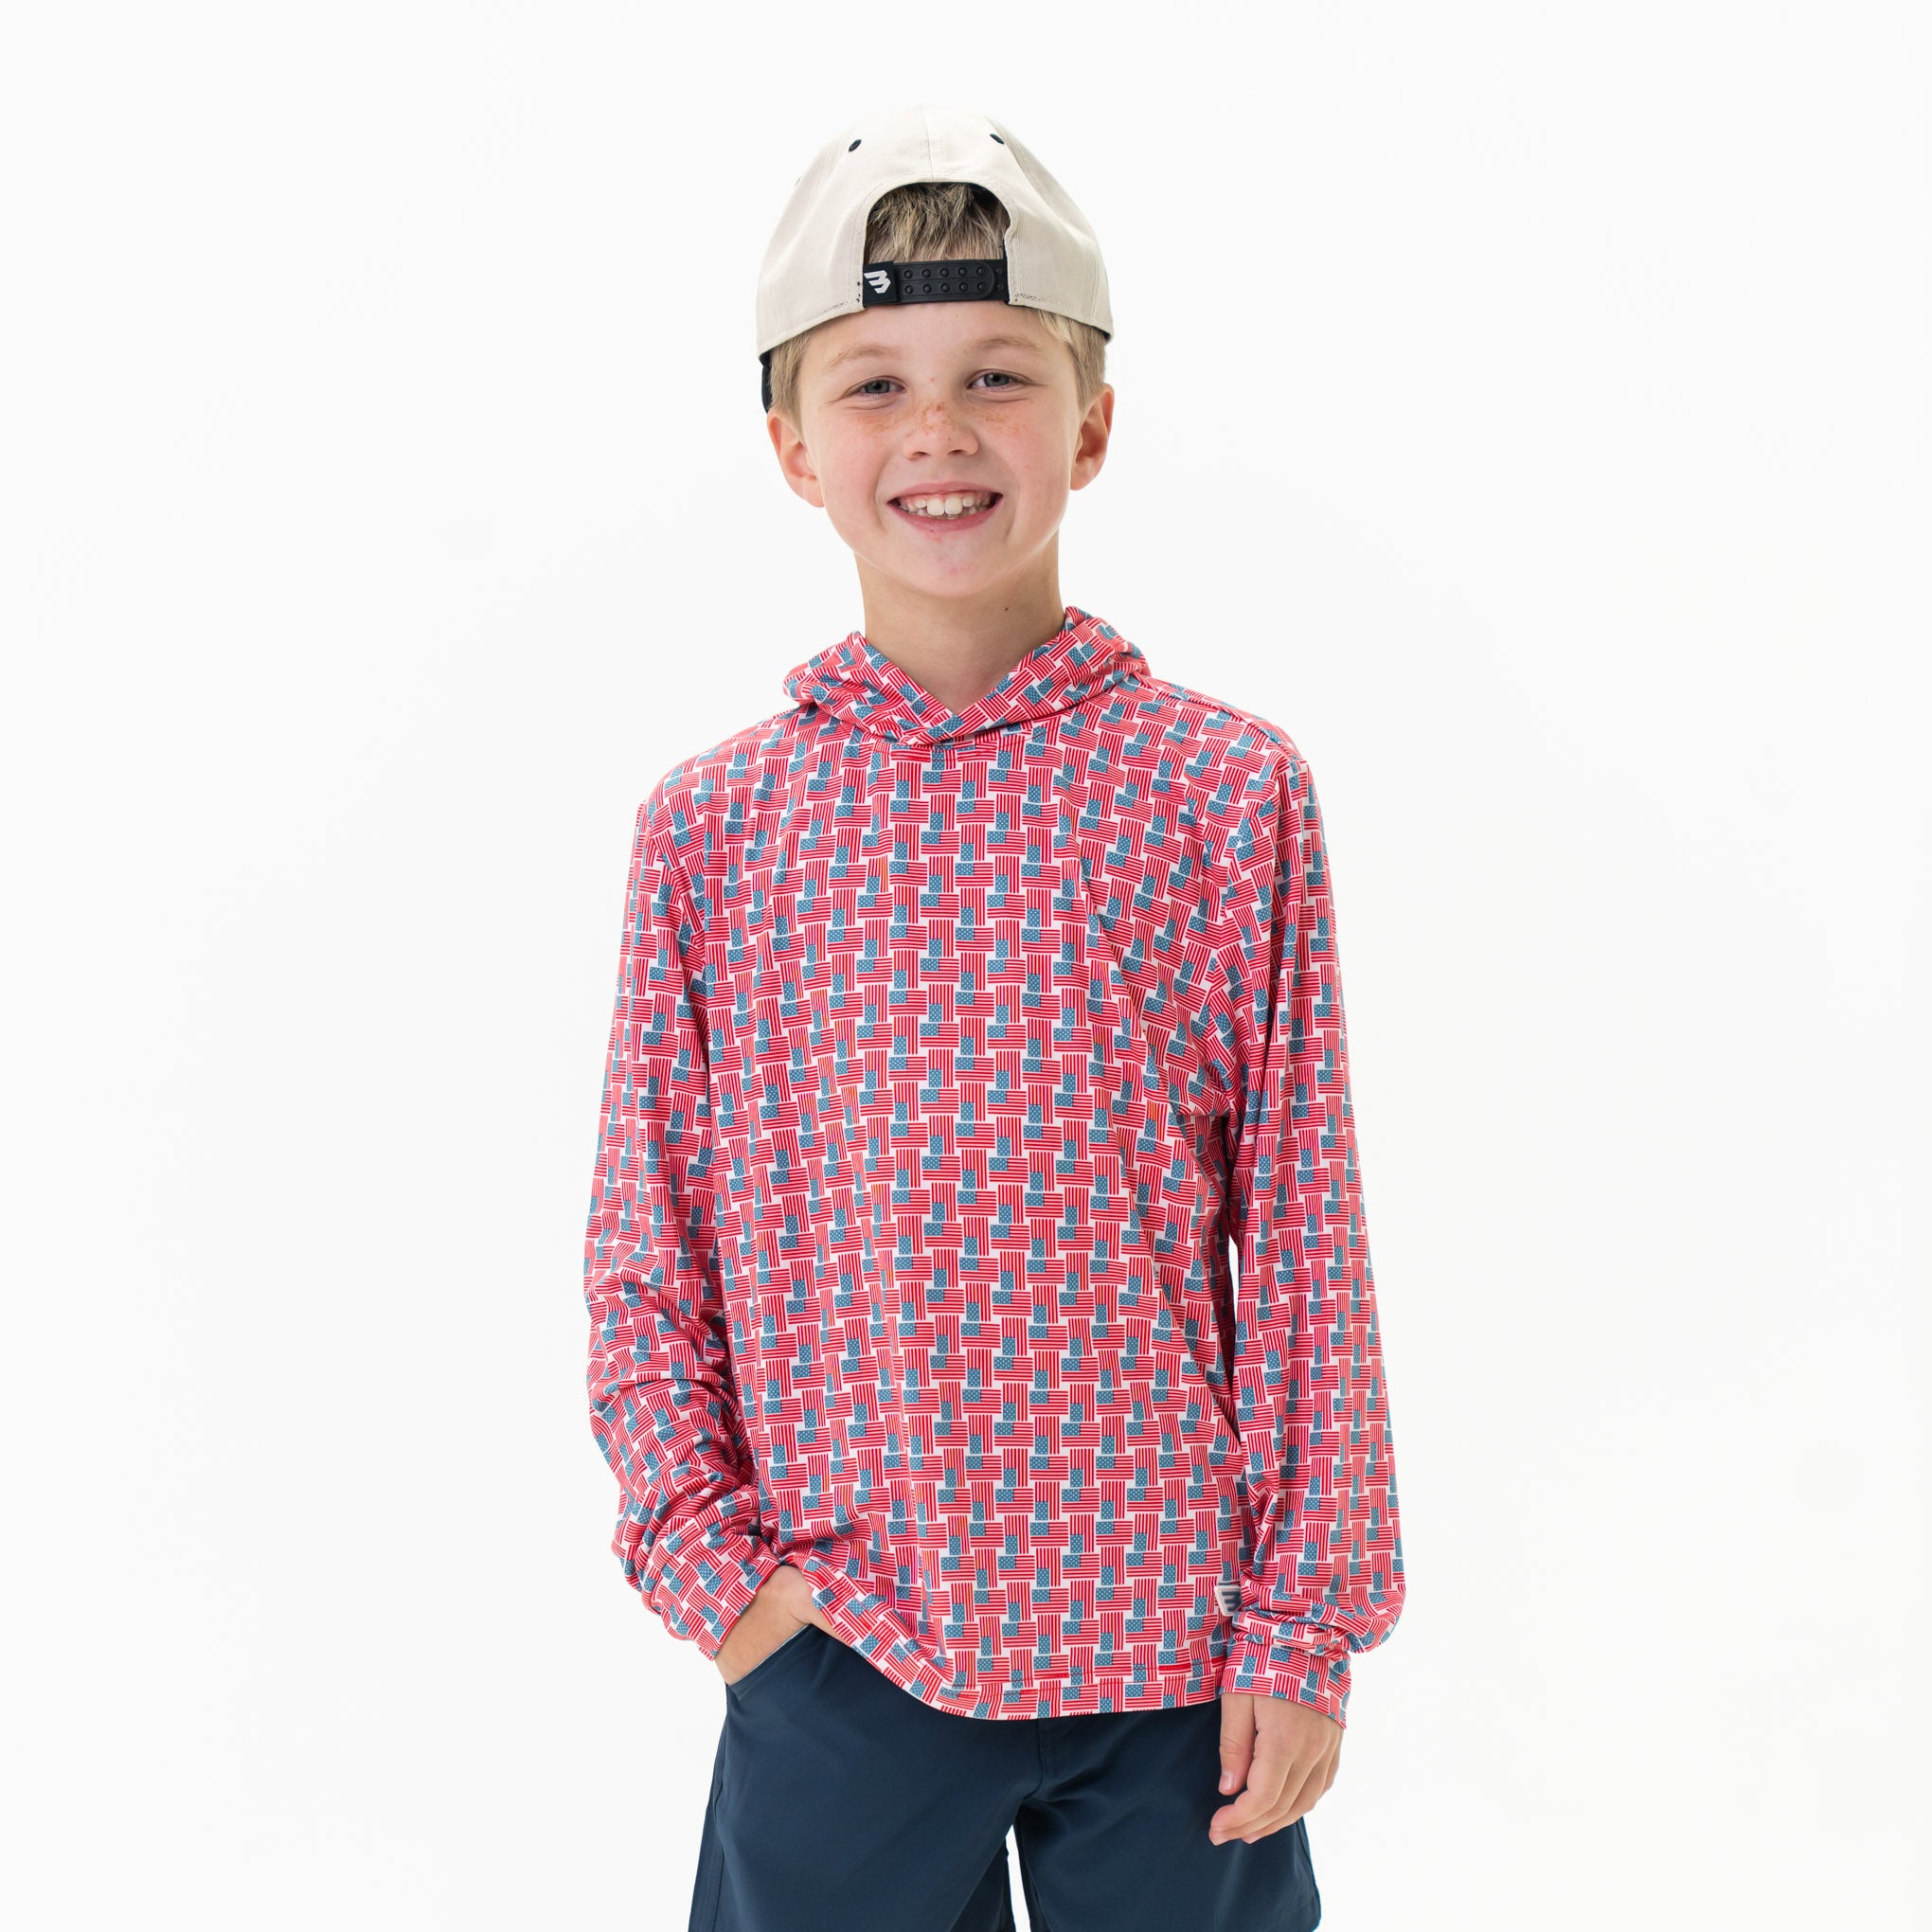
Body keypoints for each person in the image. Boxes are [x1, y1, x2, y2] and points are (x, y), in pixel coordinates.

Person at [581, 101, 1405, 1932]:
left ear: (1090, 423)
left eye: (997, 378)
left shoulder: (1223, 795)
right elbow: (650, 1243)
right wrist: (722, 1581)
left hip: (1179, 1660)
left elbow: (1302, 1239)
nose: (939, 431)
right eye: (875, 385)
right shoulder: (718, 830)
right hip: (844, 1648)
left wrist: (1305, 1626)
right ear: (793, 446)